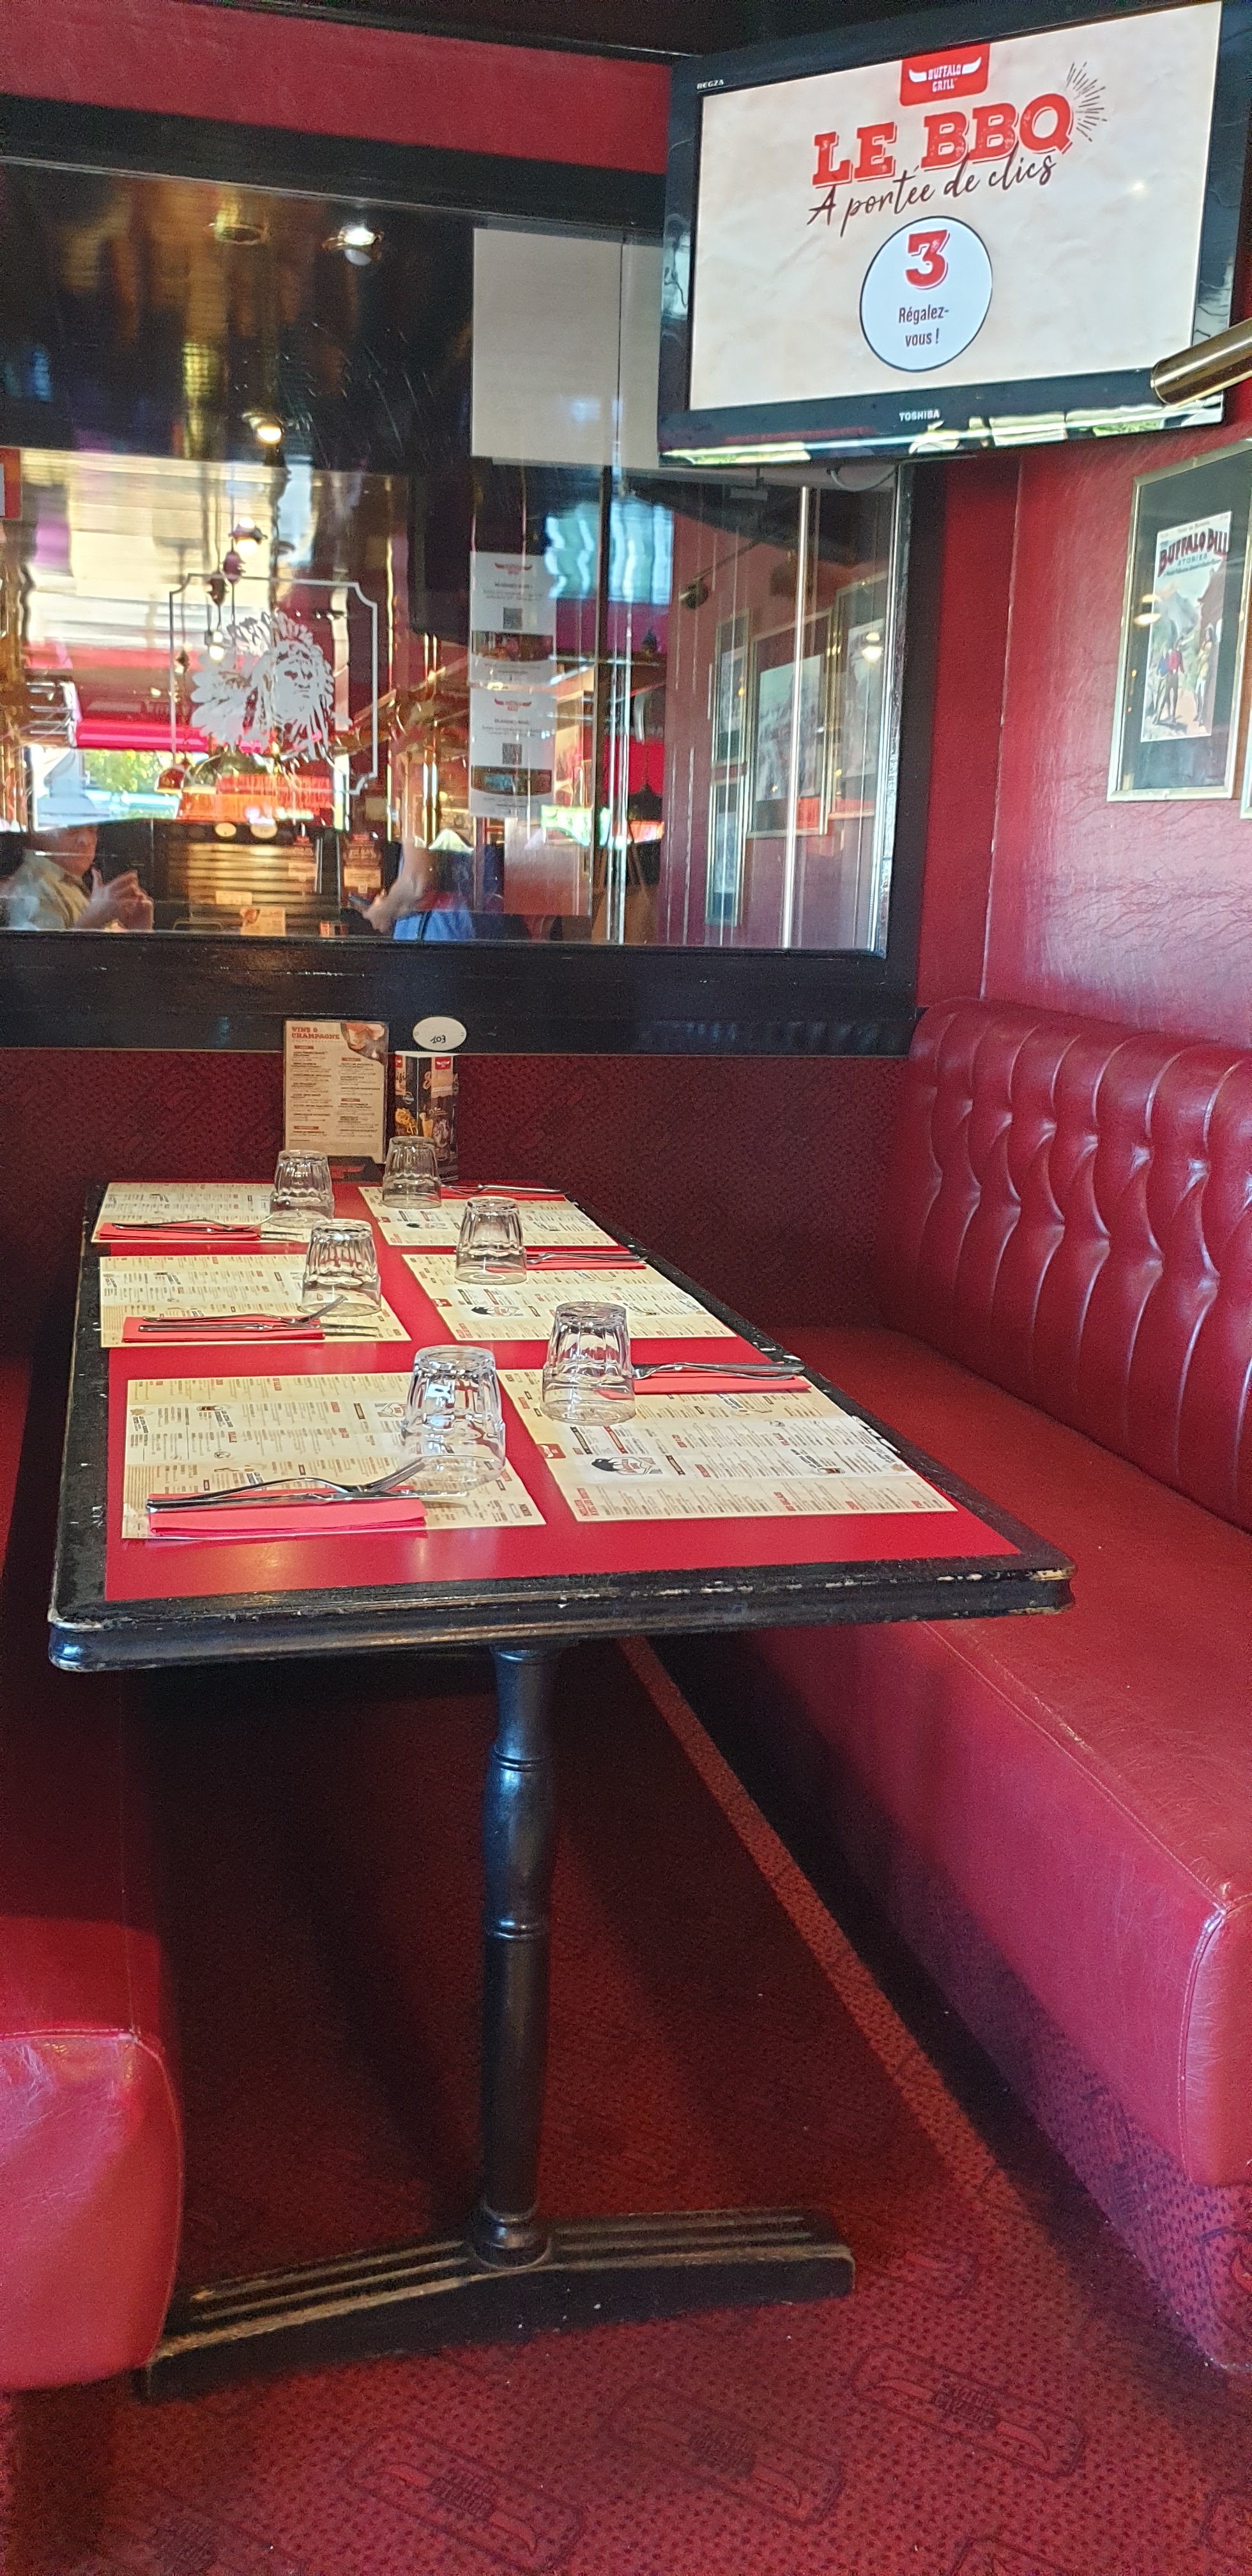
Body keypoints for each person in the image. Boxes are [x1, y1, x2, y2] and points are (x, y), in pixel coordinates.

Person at [1, 755, 153, 930]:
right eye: (72, 829)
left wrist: (139, 930)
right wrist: (97, 916)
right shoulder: (35, 886)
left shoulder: (66, 885)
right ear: (38, 834)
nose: (85, 840)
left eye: (92, 830)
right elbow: (42, 948)